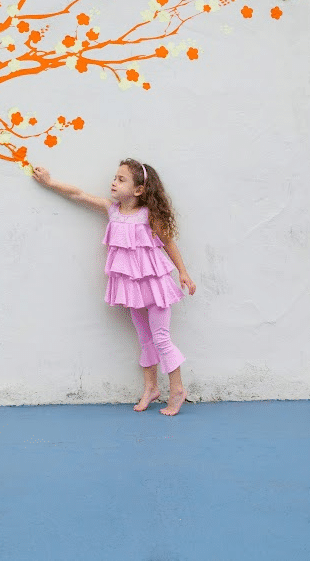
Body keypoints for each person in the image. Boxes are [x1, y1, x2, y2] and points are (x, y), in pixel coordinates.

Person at [32, 159, 196, 415]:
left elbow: (168, 243)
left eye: (121, 179)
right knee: (144, 339)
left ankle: (177, 389)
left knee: (161, 338)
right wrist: (50, 182)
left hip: (155, 286)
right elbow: (79, 194)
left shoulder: (148, 216)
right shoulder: (113, 211)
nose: (113, 182)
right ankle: (151, 388)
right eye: (114, 177)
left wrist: (184, 273)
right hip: (131, 287)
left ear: (139, 190)